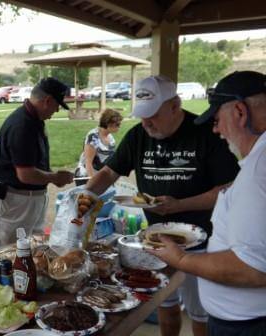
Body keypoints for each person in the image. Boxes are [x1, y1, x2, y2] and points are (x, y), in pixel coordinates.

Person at [86, 75, 240, 336]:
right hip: (156, 242)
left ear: (174, 106)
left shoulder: (205, 133)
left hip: (201, 244)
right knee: (165, 304)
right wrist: (84, 196)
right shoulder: (138, 136)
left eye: (153, 115)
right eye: (142, 115)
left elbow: (227, 190)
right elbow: (110, 173)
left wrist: (180, 205)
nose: (146, 122)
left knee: (200, 314)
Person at [149, 71, 266, 336]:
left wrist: (179, 258)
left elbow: (252, 269)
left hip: (248, 325)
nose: (216, 129)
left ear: (239, 112)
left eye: (216, 120)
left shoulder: (259, 168)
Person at [0, 77, 74, 250]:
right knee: (8, 254)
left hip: (26, 200)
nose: (56, 111)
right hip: (12, 202)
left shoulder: (34, 121)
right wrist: (55, 177)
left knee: (32, 252)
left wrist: (51, 176)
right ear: (47, 101)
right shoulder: (22, 125)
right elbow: (25, 174)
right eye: (57, 106)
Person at [74, 108, 122, 185]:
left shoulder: (110, 137)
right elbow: (88, 163)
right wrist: (94, 183)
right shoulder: (93, 137)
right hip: (86, 177)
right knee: (88, 197)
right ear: (108, 124)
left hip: (100, 177)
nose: (119, 127)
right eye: (118, 124)